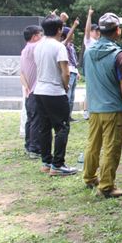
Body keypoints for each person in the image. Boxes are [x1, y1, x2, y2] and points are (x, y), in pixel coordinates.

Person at [83, 13, 122, 198]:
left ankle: (90, 177)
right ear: (117, 31)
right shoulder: (119, 55)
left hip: (94, 108)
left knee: (93, 144)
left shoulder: (88, 52)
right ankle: (106, 186)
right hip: (113, 109)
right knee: (111, 148)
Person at [33, 14, 77, 176]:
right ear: (59, 30)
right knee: (62, 127)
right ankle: (58, 165)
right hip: (54, 91)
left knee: (44, 128)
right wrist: (65, 87)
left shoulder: (38, 45)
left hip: (39, 91)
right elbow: (65, 72)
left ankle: (46, 162)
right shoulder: (58, 47)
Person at [20, 25, 44, 159]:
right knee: (36, 120)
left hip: (29, 90)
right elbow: (50, 43)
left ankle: (29, 145)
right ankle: (34, 149)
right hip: (35, 90)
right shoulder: (33, 48)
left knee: (31, 119)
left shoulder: (25, 50)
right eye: (40, 35)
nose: (41, 37)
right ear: (35, 36)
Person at [82, 6, 100, 120]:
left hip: (98, 69)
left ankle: (94, 109)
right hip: (90, 69)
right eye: (96, 31)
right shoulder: (89, 40)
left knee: (96, 89)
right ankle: (85, 111)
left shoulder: (99, 42)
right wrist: (89, 15)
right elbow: (87, 30)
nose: (98, 32)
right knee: (89, 89)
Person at [61, 19, 80, 120]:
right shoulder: (63, 45)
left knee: (72, 96)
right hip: (68, 71)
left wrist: (77, 71)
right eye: (71, 33)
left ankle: (69, 116)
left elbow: (74, 60)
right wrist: (74, 25)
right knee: (67, 96)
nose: (73, 35)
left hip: (73, 71)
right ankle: (64, 116)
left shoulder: (71, 46)